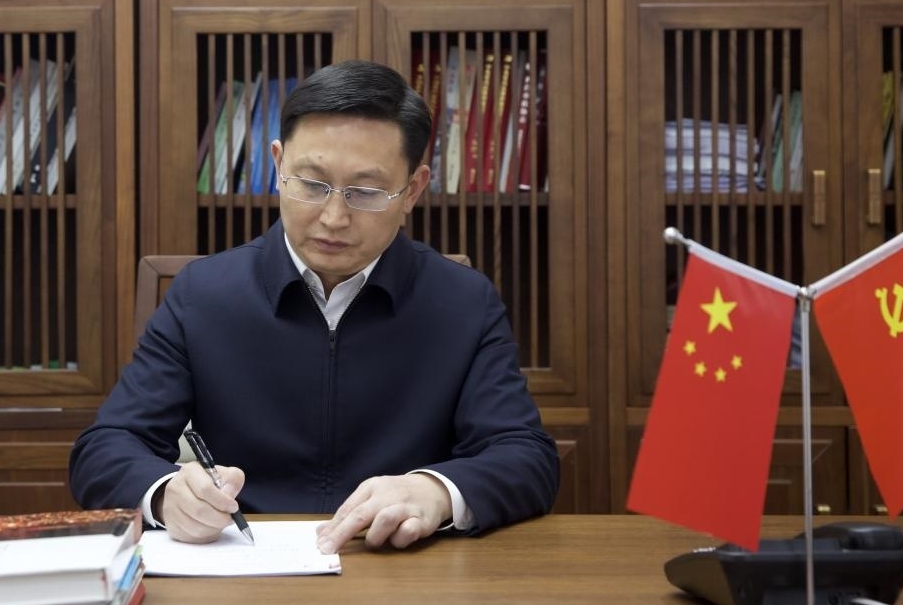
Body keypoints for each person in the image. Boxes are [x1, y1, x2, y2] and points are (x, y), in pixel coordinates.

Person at [69, 59, 558, 553]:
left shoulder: (463, 302)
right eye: (311, 184)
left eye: (365, 191)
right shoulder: (203, 295)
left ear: (412, 190)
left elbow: (526, 456)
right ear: (278, 165)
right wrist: (165, 493)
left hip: (400, 563)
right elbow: (105, 447)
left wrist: (434, 491)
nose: (334, 217)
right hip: (246, 564)